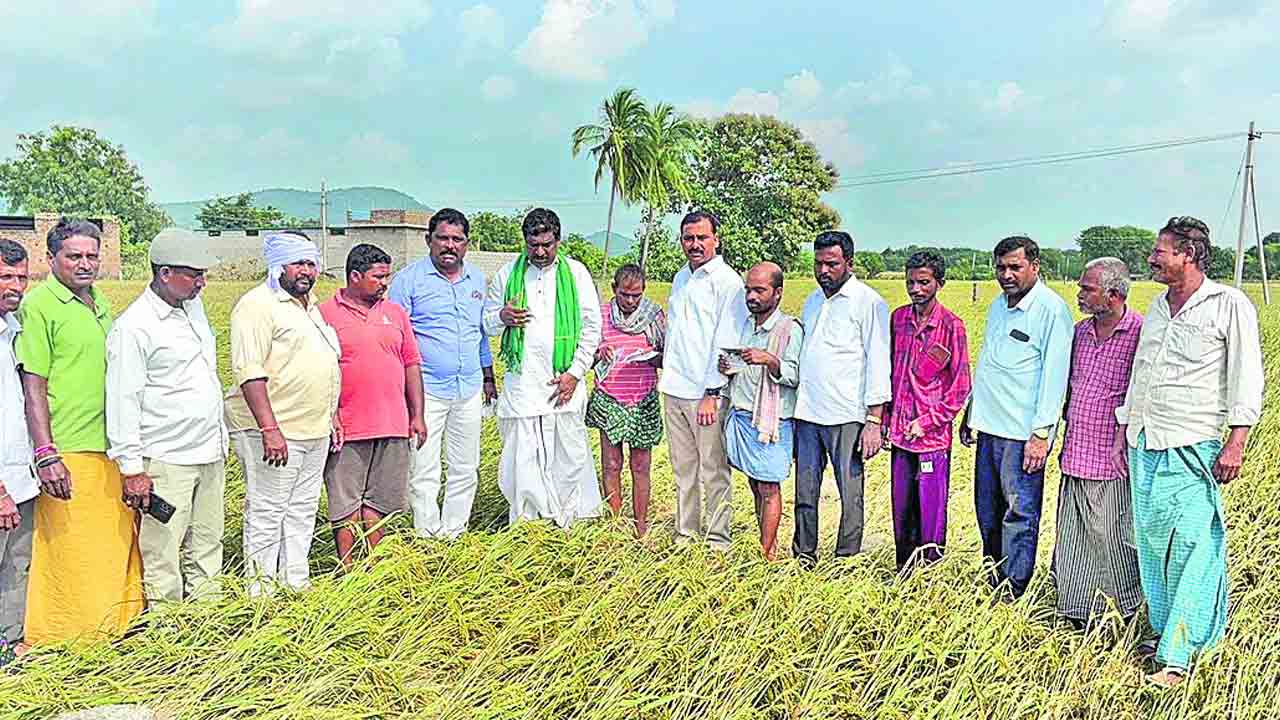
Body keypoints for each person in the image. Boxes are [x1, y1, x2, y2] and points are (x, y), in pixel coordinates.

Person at [1114, 216, 1263, 687]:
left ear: (1189, 254)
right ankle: (1163, 632)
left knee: (1194, 546)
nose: (1152, 259)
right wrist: (1126, 431)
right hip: (1145, 440)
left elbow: (1246, 375)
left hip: (1192, 442)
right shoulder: (1157, 306)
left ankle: (1179, 655)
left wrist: (1236, 440)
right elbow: (1142, 374)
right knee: (1153, 545)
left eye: (1160, 252)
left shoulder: (1228, 304)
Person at [17, 218, 144, 644]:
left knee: (110, 543)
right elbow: (34, 385)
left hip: (111, 446)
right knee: (72, 550)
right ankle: (67, 636)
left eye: (92, 255)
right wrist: (46, 452)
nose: (85, 263)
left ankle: (115, 626)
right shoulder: (40, 306)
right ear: (50, 258)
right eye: (74, 256)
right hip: (68, 449)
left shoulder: (99, 301)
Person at [106, 228, 228, 603]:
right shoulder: (134, 326)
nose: (202, 283)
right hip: (166, 458)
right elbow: (123, 398)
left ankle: (207, 618)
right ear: (164, 273)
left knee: (207, 542)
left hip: (209, 451)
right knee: (163, 551)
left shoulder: (193, 309)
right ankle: (168, 627)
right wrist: (132, 469)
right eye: (194, 275)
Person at [225, 231, 341, 594]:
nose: (306, 271)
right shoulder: (256, 305)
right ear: (278, 266)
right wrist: (269, 429)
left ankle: (295, 582)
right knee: (267, 510)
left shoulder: (311, 308)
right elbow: (249, 371)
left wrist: (332, 416)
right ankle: (261, 591)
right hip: (275, 430)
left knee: (302, 509)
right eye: (297, 263)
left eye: (311, 263)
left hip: (314, 428)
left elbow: (323, 365)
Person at [960, 235, 1072, 599]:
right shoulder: (998, 305)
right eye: (1000, 267)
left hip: (1022, 434)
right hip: (989, 427)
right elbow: (990, 363)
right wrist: (972, 411)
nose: (1006, 275)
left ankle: (1014, 588)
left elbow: (1055, 377)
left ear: (1034, 267)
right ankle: (993, 577)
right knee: (987, 510)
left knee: (1019, 513)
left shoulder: (1051, 311)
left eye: (1015, 267)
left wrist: (1041, 435)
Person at [483, 208, 603, 527]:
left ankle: (568, 517)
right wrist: (502, 317)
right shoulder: (507, 274)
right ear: (524, 242)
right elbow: (487, 324)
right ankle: (528, 520)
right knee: (522, 454)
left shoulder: (576, 274)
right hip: (523, 384)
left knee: (568, 453)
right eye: (533, 245)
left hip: (563, 383)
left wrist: (575, 374)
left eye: (546, 245)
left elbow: (592, 328)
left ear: (558, 241)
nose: (539, 252)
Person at [388, 209, 496, 540]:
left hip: (469, 387)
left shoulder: (476, 280)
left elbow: (480, 334)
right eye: (443, 238)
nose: (450, 245)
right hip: (427, 390)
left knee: (465, 466)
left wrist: (489, 377)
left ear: (467, 243)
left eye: (457, 239)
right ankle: (427, 532)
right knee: (424, 466)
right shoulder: (408, 281)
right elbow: (396, 339)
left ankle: (454, 530)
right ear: (428, 240)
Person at [319, 244, 425, 568]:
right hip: (348, 425)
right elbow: (318, 370)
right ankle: (348, 567)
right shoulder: (324, 314)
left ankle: (374, 565)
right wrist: (330, 414)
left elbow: (411, 363)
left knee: (381, 500)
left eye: (387, 276)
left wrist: (417, 415)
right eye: (378, 277)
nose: (384, 283)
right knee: (346, 502)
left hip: (393, 423)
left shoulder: (395, 313)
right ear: (355, 276)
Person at [1051, 257, 1143, 627]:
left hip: (1113, 458)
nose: (1079, 294)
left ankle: (1123, 612)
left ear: (1114, 294)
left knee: (1112, 538)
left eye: (1087, 289)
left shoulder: (1141, 333)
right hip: (1076, 450)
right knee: (1073, 539)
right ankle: (1075, 609)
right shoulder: (1079, 333)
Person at [793, 230, 891, 565]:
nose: (823, 270)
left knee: (850, 494)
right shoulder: (812, 301)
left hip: (847, 415)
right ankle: (804, 555)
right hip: (808, 412)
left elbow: (878, 361)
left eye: (832, 264)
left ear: (849, 262)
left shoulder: (869, 302)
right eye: (818, 263)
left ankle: (845, 559)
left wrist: (874, 420)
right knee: (805, 491)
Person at [659, 210, 746, 550]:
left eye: (701, 238)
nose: (694, 244)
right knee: (683, 468)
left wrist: (713, 391)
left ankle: (718, 538)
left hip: (706, 393)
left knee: (713, 468)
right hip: (674, 387)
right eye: (688, 238)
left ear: (716, 240)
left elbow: (729, 341)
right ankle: (686, 533)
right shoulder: (681, 277)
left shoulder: (728, 282)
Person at [885, 250, 970, 570]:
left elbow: (960, 387)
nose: (916, 289)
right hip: (900, 434)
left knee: (930, 511)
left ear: (939, 283)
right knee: (902, 508)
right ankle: (903, 570)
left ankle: (929, 573)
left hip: (931, 439)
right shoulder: (899, 319)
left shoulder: (952, 326)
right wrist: (886, 419)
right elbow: (889, 372)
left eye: (924, 282)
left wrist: (928, 421)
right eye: (911, 282)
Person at [718, 263, 802, 560]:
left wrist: (770, 360)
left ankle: (766, 554)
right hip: (743, 415)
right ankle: (767, 545)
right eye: (748, 290)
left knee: (768, 487)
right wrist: (727, 367)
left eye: (759, 290)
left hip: (771, 423)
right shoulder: (745, 325)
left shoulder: (789, 329)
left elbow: (795, 375)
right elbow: (739, 368)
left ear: (777, 293)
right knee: (755, 484)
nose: (751, 296)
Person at [586, 263, 666, 538]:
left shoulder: (654, 316)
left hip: (642, 400)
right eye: (624, 295)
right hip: (609, 398)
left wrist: (652, 358)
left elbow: (668, 357)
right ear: (614, 289)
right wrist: (599, 353)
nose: (631, 301)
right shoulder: (601, 315)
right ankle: (614, 522)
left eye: (636, 295)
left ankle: (640, 524)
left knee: (641, 465)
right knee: (611, 463)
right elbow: (585, 356)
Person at [0, 239, 36, 659]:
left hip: (21, 478)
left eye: (22, 277)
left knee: (16, 565)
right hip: (3, 485)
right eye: (6, 276)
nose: (16, 286)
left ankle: (7, 647)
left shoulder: (13, 330)